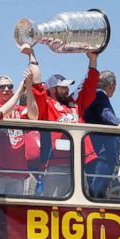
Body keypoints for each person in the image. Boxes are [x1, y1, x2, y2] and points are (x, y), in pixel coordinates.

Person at [24, 46, 100, 197]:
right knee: (54, 206)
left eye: (67, 87)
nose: (66, 90)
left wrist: (93, 59)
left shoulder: (74, 103)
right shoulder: (47, 105)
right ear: (52, 89)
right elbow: (38, 85)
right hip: (55, 166)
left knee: (80, 208)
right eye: (62, 87)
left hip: (78, 165)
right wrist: (31, 56)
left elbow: (88, 86)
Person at [82, 70, 120, 198]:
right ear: (111, 84)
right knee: (96, 193)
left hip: (95, 153)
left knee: (95, 190)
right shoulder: (100, 96)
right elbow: (105, 113)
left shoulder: (92, 97)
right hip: (102, 154)